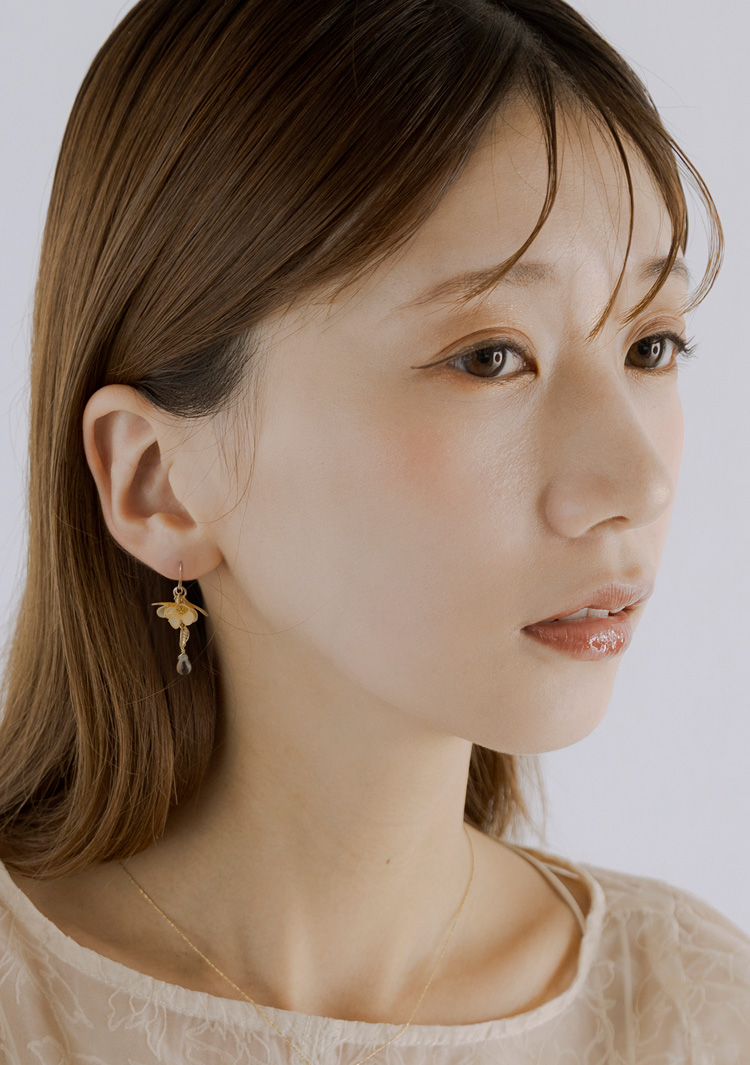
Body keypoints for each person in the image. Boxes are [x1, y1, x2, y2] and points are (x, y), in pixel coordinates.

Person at [0, 0, 747, 1061]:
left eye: (652, 345)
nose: (639, 482)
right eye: (489, 357)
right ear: (159, 481)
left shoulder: (696, 1017)